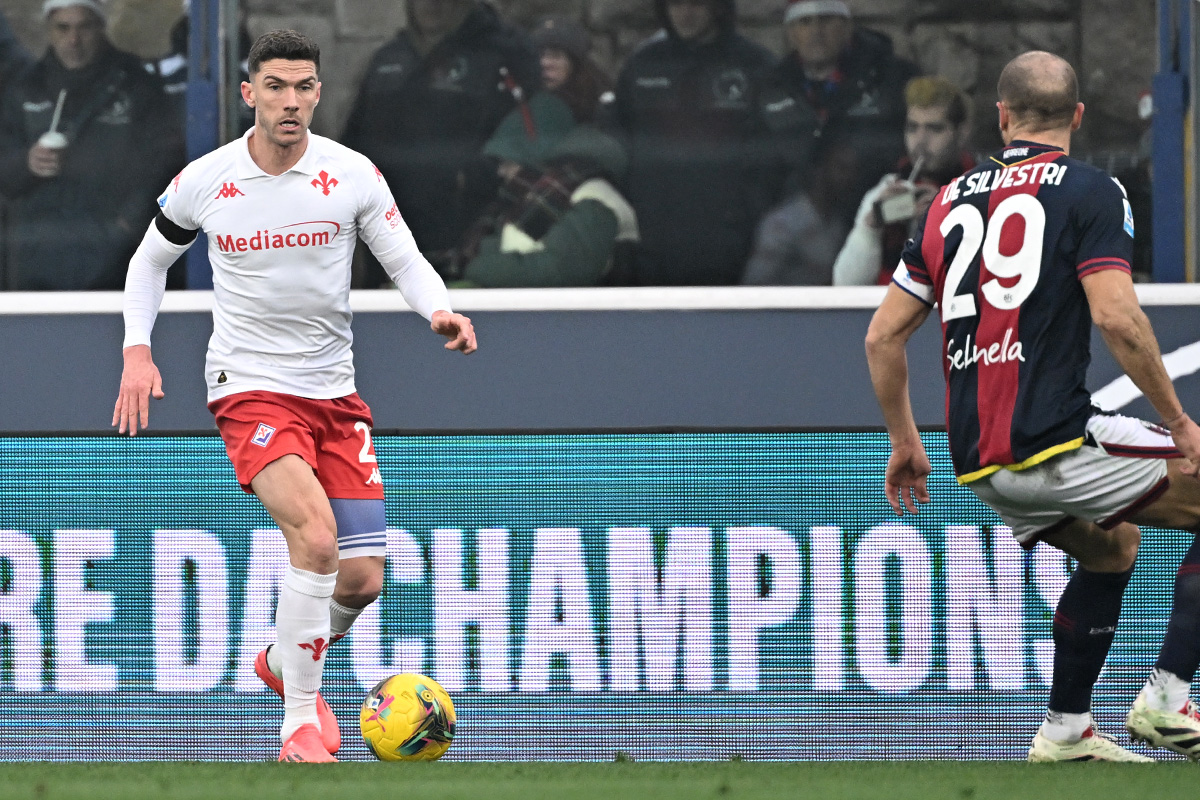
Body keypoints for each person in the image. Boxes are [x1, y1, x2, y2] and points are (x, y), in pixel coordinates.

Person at [111, 30, 477, 763]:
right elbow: (148, 264)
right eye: (275, 86)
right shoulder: (205, 180)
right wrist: (136, 351)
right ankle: (300, 725)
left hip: (333, 396)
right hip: (248, 388)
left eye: (304, 86)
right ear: (249, 93)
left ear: (318, 92)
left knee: (364, 577)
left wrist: (437, 307)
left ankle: (283, 662)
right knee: (314, 538)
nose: (290, 100)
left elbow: (404, 258)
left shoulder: (351, 175)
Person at [865, 50, 1200, 762]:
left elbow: (882, 335)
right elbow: (1117, 317)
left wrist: (904, 441)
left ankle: (1066, 731)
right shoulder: (1092, 191)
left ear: (1001, 116)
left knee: (1113, 546)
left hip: (977, 458)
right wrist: (1177, 421)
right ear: (1078, 115)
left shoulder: (944, 202)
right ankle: (1168, 699)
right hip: (1055, 440)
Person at [340, 0, 539, 286]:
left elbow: (528, 128)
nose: (431, 6)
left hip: (465, 224)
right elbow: (356, 138)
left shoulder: (499, 54)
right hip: (389, 221)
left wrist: (477, 176)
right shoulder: (389, 58)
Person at [0, 0, 182, 290]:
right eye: (63, 28)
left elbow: (165, 160)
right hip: (35, 255)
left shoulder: (135, 85)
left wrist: (129, 224)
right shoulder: (24, 88)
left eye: (84, 27)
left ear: (101, 27)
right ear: (48, 29)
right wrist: (26, 163)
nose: (73, 39)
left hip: (113, 257)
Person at [605, 0, 776, 286]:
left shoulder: (755, 64)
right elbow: (618, 139)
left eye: (696, 4)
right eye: (676, 4)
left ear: (717, 8)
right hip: (656, 229)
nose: (685, 13)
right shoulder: (644, 63)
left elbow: (776, 150)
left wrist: (749, 209)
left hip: (729, 232)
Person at [759, 0, 918, 226]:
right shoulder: (770, 88)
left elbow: (922, 154)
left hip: (882, 226)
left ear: (847, 26)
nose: (816, 32)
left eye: (826, 20)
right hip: (799, 234)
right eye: (804, 22)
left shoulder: (895, 77)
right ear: (791, 33)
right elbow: (756, 168)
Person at [833, 75, 976, 286]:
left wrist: (948, 217)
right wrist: (870, 227)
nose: (921, 140)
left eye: (934, 129)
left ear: (961, 134)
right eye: (912, 128)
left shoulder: (985, 190)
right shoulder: (887, 189)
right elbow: (845, 285)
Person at [740, 139, 857, 285]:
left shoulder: (837, 223)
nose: (849, 177)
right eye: (841, 168)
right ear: (820, 170)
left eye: (853, 170)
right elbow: (754, 286)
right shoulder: (782, 224)